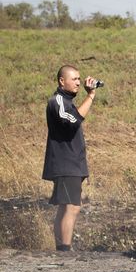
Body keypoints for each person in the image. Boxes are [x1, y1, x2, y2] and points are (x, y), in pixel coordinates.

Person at [42, 65, 99, 251]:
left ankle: (62, 248)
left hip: (72, 163)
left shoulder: (66, 101)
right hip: (66, 163)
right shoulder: (57, 100)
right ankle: (64, 249)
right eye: (74, 79)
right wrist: (90, 96)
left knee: (66, 207)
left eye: (78, 78)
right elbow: (71, 121)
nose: (78, 82)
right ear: (61, 81)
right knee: (72, 207)